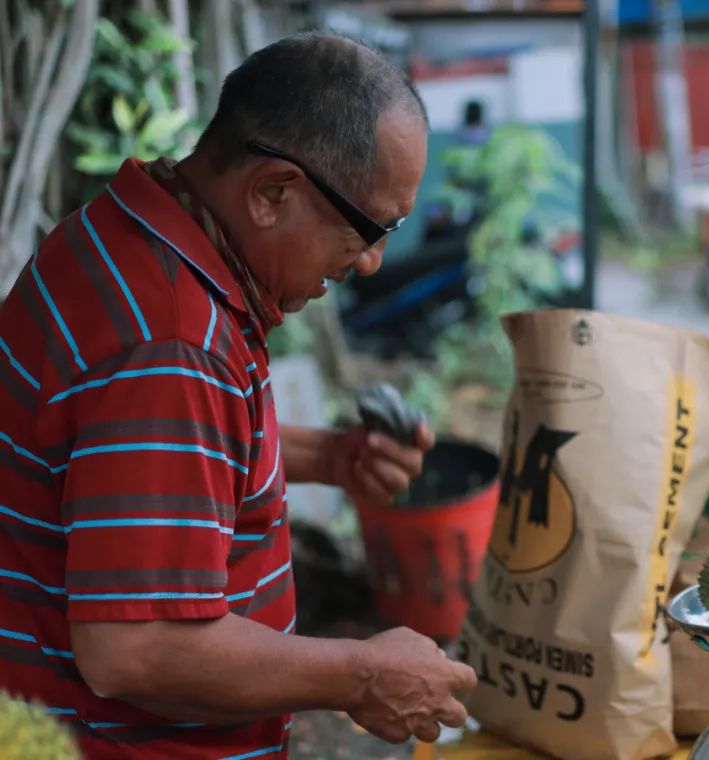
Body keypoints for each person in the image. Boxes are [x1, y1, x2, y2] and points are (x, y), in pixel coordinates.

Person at [0, 31, 476, 759]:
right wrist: (360, 674)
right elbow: (135, 646)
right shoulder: (171, 341)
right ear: (271, 192)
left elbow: (124, 469)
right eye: (369, 227)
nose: (372, 261)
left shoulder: (129, 235)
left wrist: (327, 458)